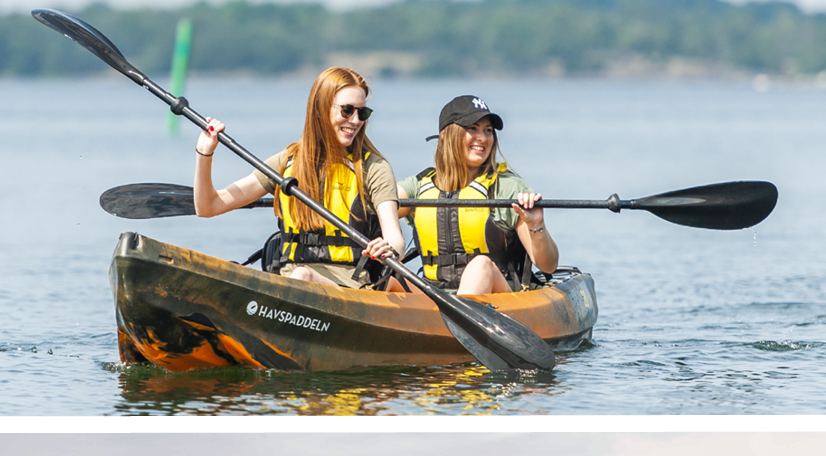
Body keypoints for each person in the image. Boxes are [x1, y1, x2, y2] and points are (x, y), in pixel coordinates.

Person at [191, 66, 407, 290]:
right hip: (288, 281)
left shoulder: (373, 168)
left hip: (350, 287)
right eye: (347, 110)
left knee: (304, 275)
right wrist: (204, 153)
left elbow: (396, 240)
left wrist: (389, 249)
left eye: (362, 113)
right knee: (300, 275)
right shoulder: (286, 163)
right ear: (321, 108)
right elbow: (208, 206)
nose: (355, 120)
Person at [401, 95, 558, 295]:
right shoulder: (418, 186)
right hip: (434, 293)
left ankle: (457, 313)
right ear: (445, 135)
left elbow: (548, 266)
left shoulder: (508, 188)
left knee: (480, 265)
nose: (483, 138)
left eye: (488, 130)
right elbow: (378, 203)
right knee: (388, 273)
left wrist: (536, 225)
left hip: (499, 297)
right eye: (473, 128)